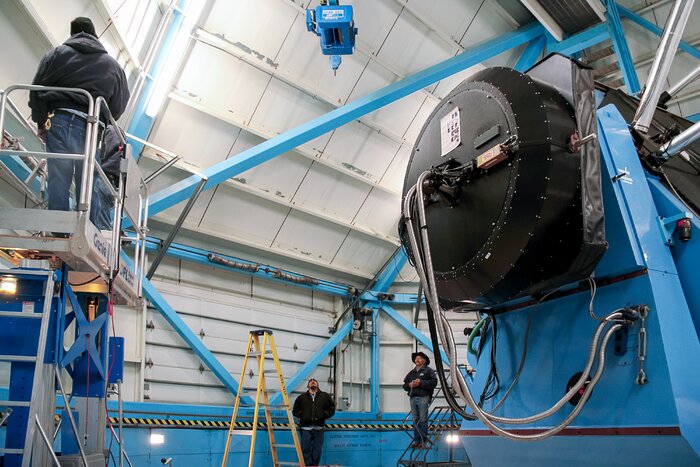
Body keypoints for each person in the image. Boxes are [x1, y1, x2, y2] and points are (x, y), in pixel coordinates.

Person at [28, 17, 129, 234]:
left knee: (58, 176)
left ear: (73, 34)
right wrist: (102, 120)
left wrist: (40, 122)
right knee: (88, 181)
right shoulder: (112, 66)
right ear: (95, 35)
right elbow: (119, 105)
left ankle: (58, 229)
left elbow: (36, 90)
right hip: (92, 127)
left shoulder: (55, 54)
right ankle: (88, 229)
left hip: (59, 119)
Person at [292, 379, 336, 466]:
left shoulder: (325, 396)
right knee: (305, 448)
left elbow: (332, 408)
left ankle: (315, 465)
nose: (313, 382)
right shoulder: (301, 398)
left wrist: (324, 415)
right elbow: (295, 410)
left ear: (317, 385)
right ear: (308, 386)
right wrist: (303, 415)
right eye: (311, 381)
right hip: (305, 428)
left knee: (317, 450)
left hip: (319, 428)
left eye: (315, 381)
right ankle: (308, 465)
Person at [403, 351, 437, 448]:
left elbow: (434, 382)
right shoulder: (411, 373)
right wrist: (409, 385)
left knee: (422, 420)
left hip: (423, 397)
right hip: (413, 398)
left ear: (424, 361)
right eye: (416, 358)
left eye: (419, 358)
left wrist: (420, 383)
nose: (417, 360)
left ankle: (423, 441)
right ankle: (417, 440)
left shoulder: (429, 371)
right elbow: (404, 385)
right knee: (415, 420)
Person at [94, 123, 125, 231]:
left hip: (103, 176)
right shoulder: (116, 131)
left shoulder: (108, 130)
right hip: (110, 179)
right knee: (100, 221)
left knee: (99, 224)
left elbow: (101, 152)